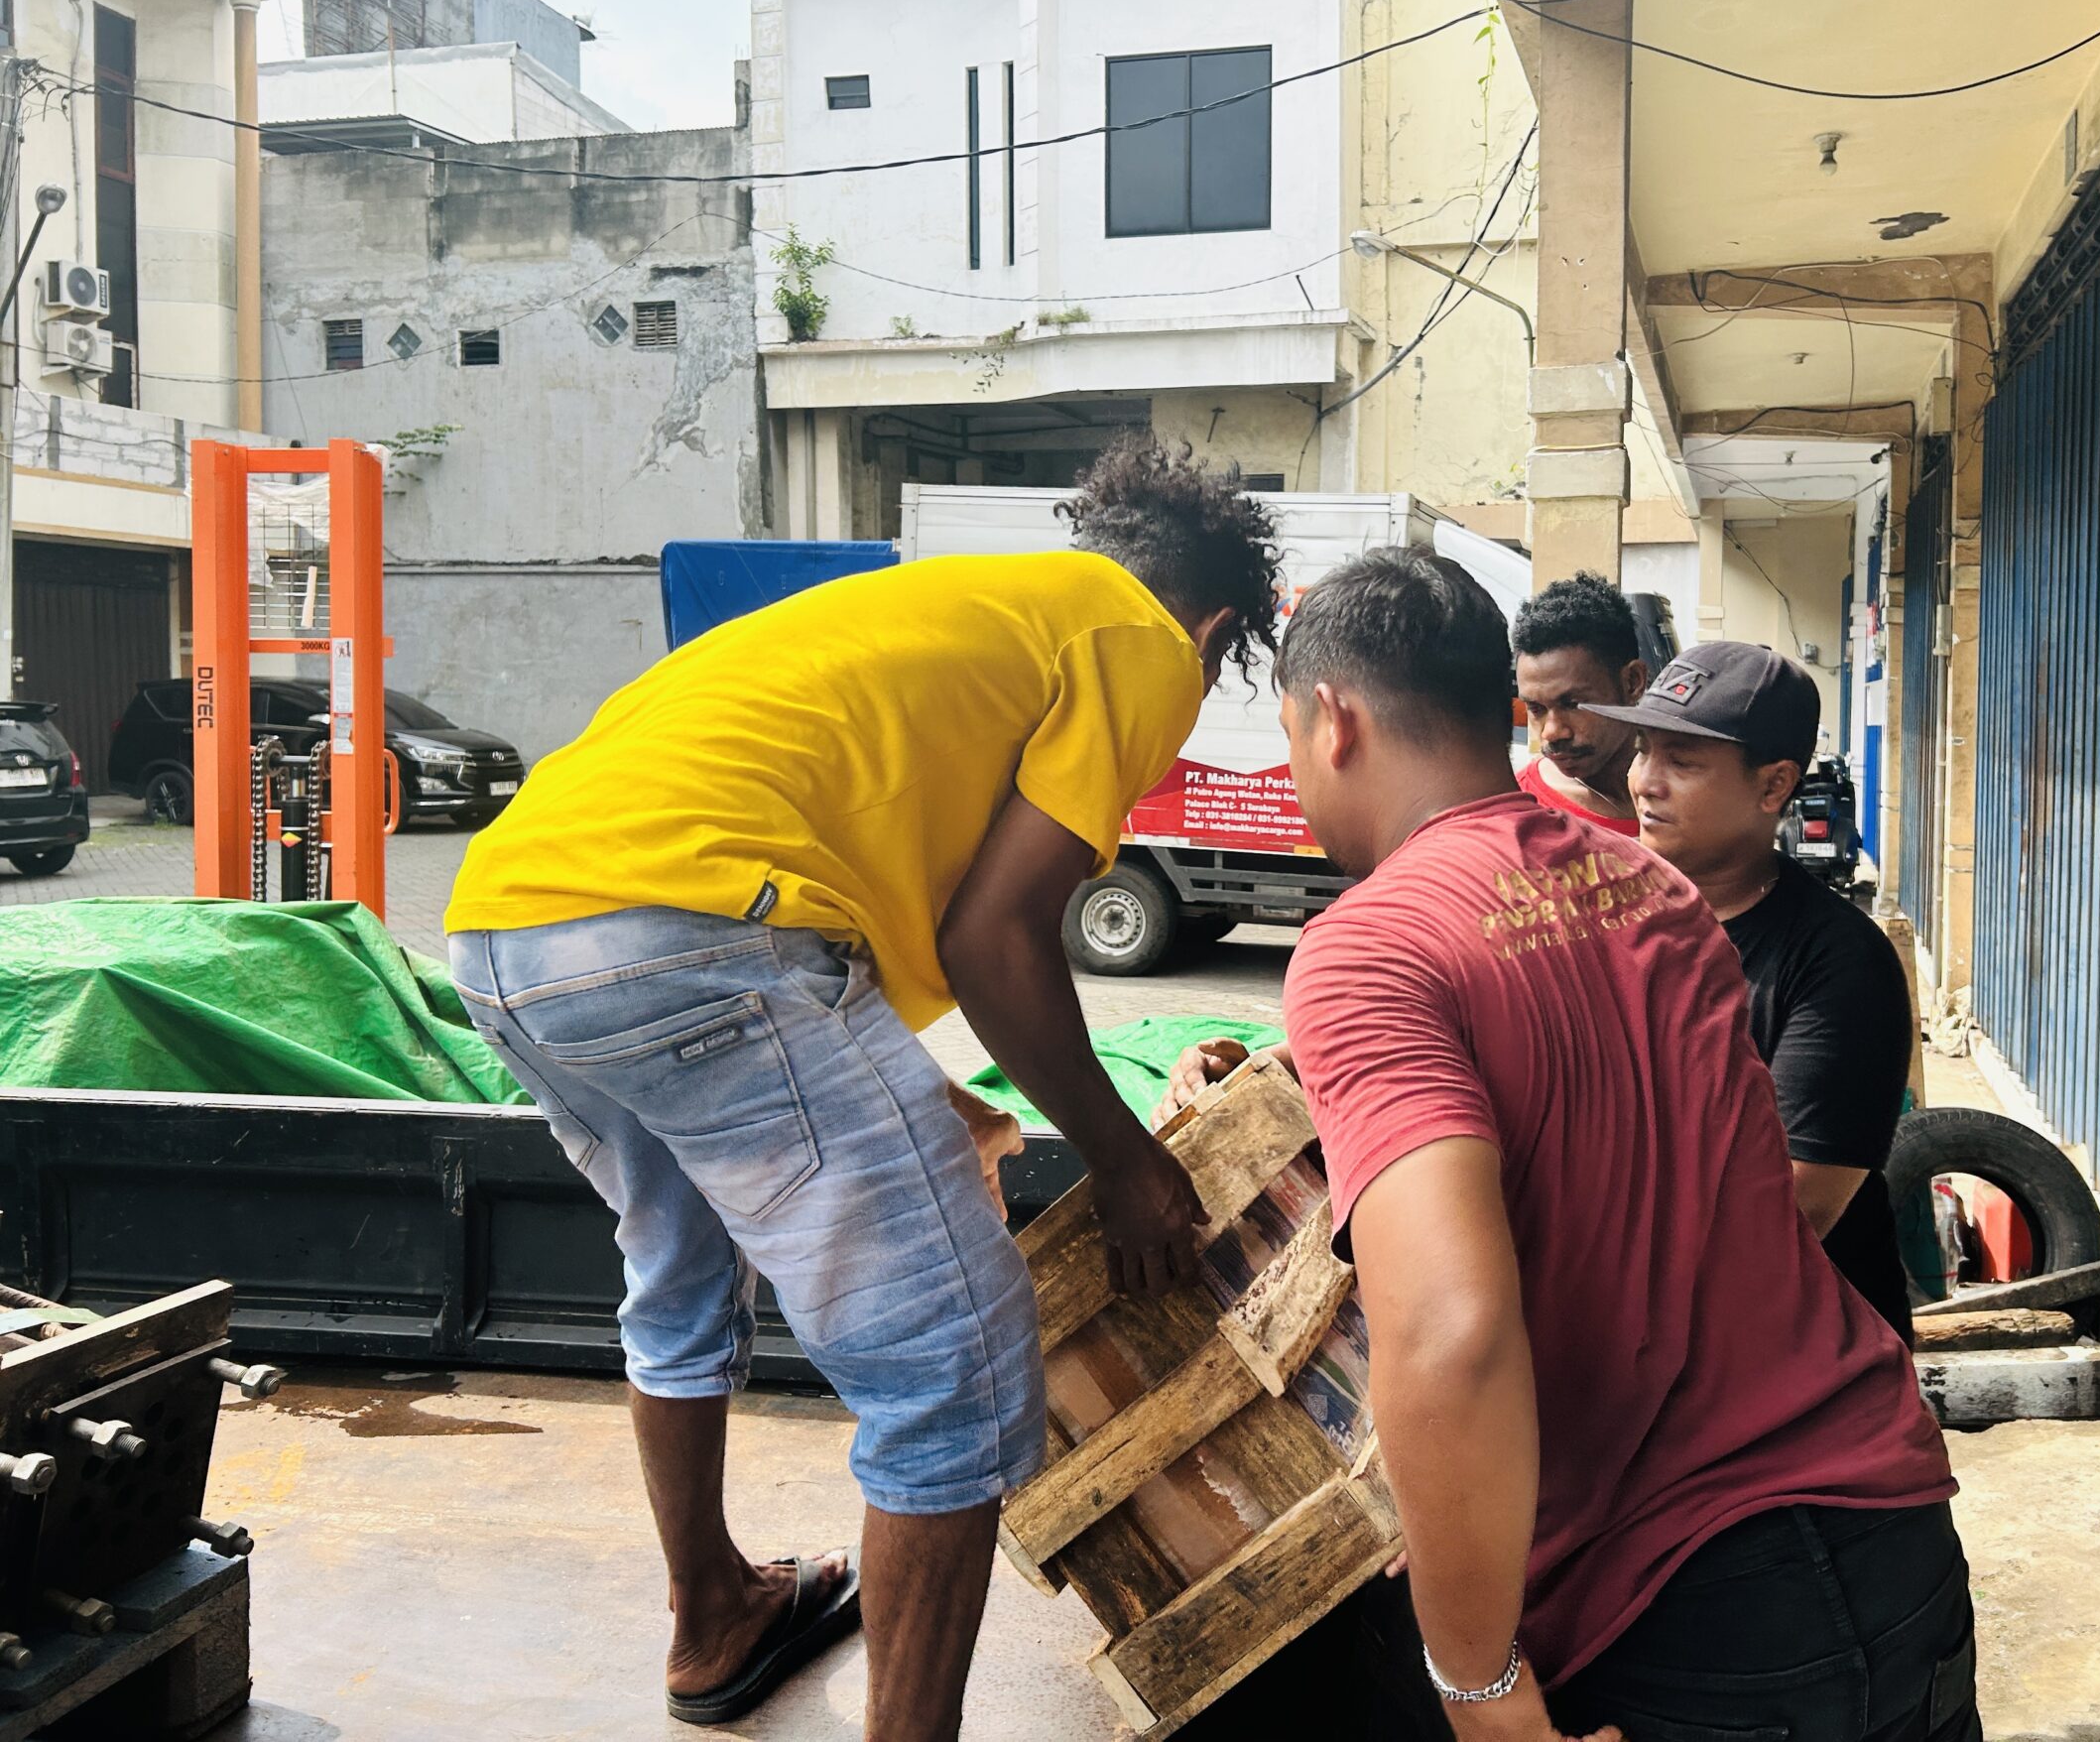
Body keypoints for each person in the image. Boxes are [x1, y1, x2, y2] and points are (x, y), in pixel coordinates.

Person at [441, 436, 1282, 1740]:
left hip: (509, 933)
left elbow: (870, 866)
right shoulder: (1141, 639)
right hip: (699, 936)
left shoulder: (960, 606)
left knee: (677, 1275)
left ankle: (715, 1610)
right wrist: (1126, 1161)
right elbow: (998, 938)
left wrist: (906, 1086)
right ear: (1217, 618)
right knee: (953, 1368)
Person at [1267, 548, 1975, 1741]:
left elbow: (1451, 1332)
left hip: (1685, 1610)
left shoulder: (1366, 947)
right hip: (1888, 1526)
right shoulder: (1649, 891)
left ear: (1331, 719)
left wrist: (1478, 1684)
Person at [1590, 643, 1920, 1339]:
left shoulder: (1840, 966)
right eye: (1644, 750)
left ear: (1774, 788)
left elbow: (1792, 1210)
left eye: (1681, 762)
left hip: (1800, 1362)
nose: (1645, 782)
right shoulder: (1603, 918)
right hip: (1643, 1340)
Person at [1509, 572, 1646, 835]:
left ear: (1632, 683)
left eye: (1572, 704)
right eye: (1536, 709)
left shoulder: (1687, 794)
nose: (1551, 732)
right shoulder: (1521, 815)